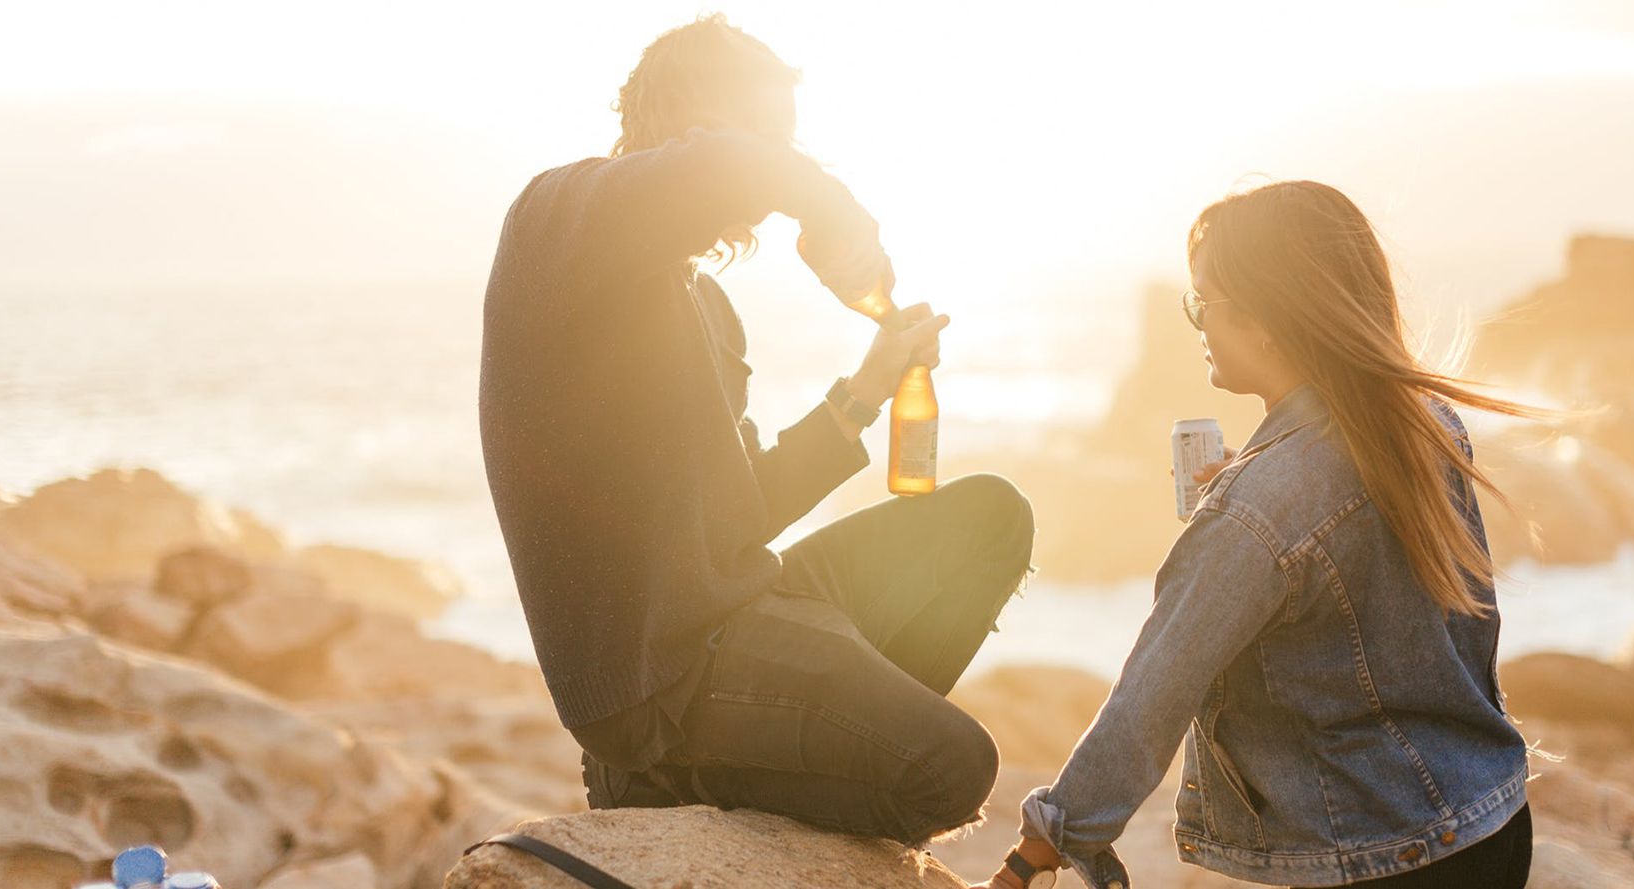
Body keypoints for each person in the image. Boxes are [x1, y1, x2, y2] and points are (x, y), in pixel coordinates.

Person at [479, 15, 1033, 845]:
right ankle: (661, 777)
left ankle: (807, 756)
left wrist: (866, 388)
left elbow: (740, 516)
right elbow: (730, 163)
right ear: (699, 122)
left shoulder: (705, 306)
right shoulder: (556, 220)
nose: (780, 171)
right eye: (771, 137)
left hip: (739, 607)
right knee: (953, 769)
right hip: (662, 680)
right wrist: (832, 209)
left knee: (992, 517)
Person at [974, 181, 1544, 889]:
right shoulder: (1422, 424)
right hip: (1491, 821)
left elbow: (1151, 695)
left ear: (1267, 320)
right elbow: (1456, 628)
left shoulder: (1256, 511)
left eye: (1203, 303)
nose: (1197, 324)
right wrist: (1257, 484)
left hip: (1381, 861)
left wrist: (1036, 852)